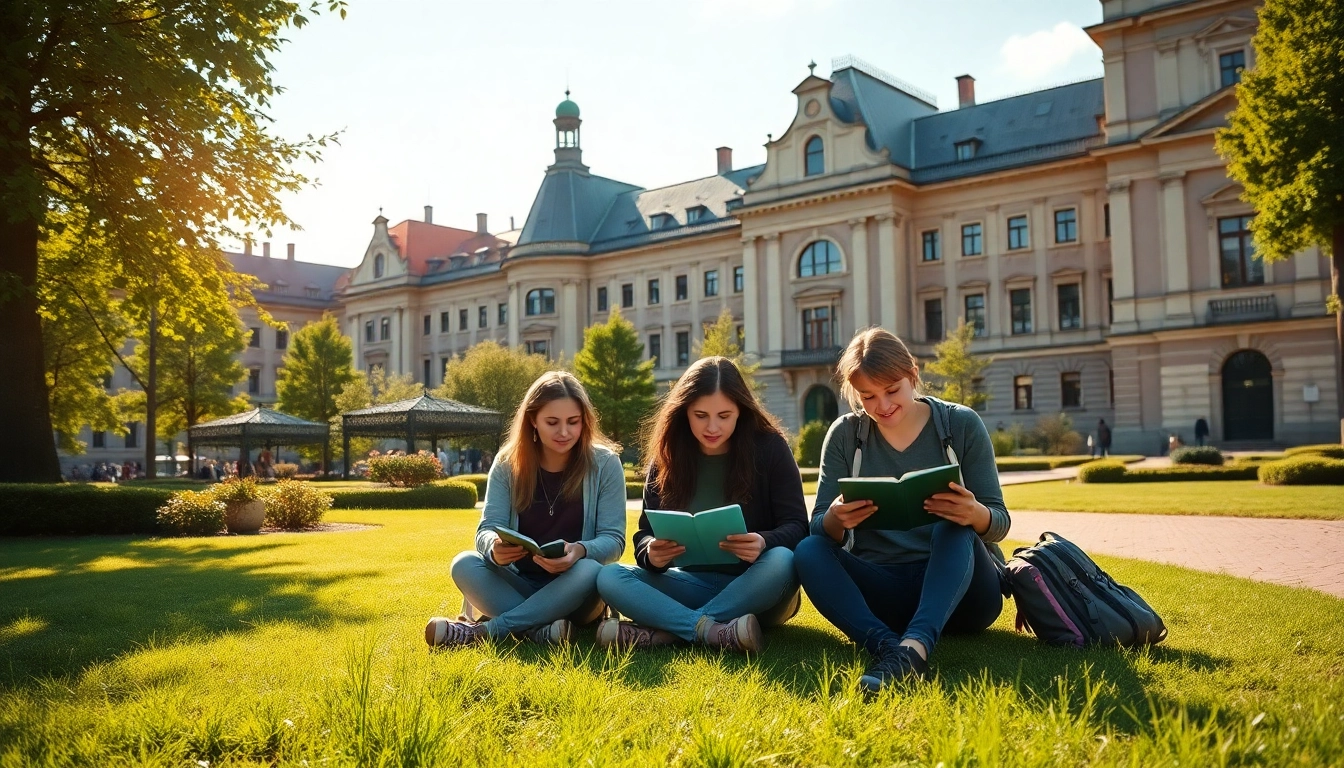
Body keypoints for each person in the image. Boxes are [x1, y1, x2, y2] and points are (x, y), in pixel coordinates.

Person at [794, 328, 1009, 692]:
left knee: (952, 524)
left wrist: (973, 512)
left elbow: (999, 522)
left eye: (892, 390)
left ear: (912, 374)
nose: (882, 405)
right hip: (884, 589)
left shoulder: (960, 424)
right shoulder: (846, 435)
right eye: (867, 396)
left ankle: (915, 648)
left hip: (963, 593)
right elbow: (818, 529)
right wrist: (834, 519)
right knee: (807, 550)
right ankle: (891, 649)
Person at [595, 357, 807, 653]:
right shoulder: (668, 456)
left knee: (783, 560)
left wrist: (763, 541)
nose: (712, 427)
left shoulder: (770, 448)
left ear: (740, 412)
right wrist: (651, 553)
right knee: (608, 576)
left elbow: (798, 527)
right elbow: (644, 534)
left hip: (758, 589)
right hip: (689, 585)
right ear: (684, 413)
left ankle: (670, 631)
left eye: (724, 415)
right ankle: (709, 631)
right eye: (700, 415)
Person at [426, 371, 626, 647]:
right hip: (519, 585)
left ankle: (485, 632)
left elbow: (614, 540)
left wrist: (580, 550)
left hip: (578, 593)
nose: (564, 432)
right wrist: (493, 549)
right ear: (533, 420)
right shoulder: (508, 463)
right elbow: (486, 528)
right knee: (464, 563)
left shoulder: (605, 464)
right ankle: (541, 631)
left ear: (585, 421)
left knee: (591, 570)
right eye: (552, 422)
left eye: (573, 422)